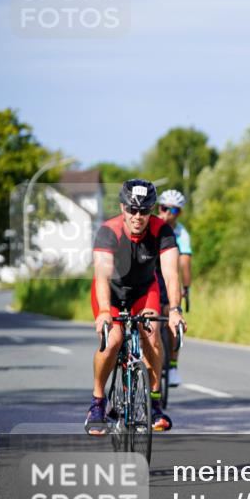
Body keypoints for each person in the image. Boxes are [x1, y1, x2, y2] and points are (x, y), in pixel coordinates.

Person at [85, 179, 186, 435]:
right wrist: (105, 313)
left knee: (152, 335)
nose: (138, 216)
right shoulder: (109, 231)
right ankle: (97, 402)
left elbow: (172, 275)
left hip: (144, 291)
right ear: (122, 207)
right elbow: (102, 276)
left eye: (144, 210)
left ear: (151, 210)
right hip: (111, 292)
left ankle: (154, 404)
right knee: (114, 339)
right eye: (132, 209)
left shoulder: (162, 231)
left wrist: (174, 309)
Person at [155, 189, 192, 386]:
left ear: (180, 213)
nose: (168, 213)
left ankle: (173, 365)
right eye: (164, 208)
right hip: (152, 275)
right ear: (158, 208)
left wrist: (186, 288)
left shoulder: (181, 233)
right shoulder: (150, 225)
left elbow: (185, 262)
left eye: (174, 211)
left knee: (173, 317)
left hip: (171, 276)